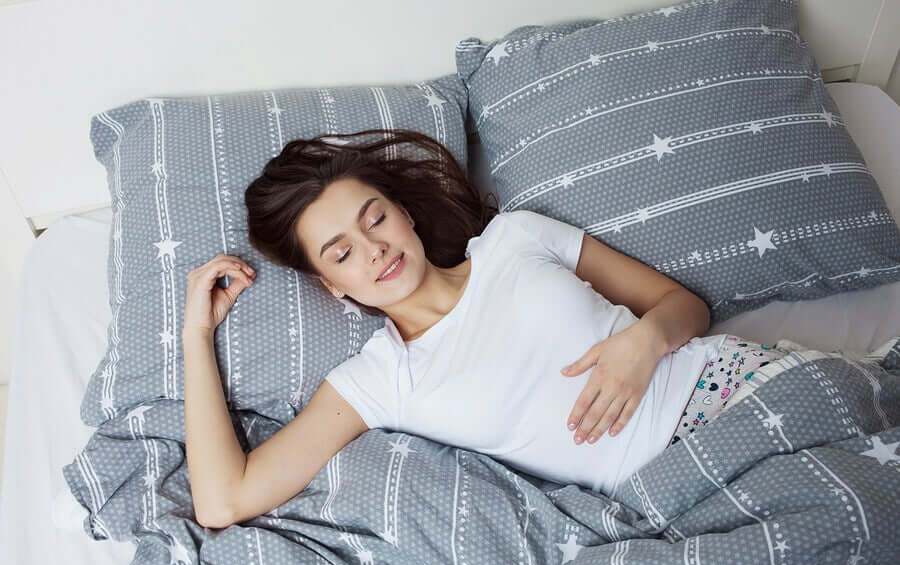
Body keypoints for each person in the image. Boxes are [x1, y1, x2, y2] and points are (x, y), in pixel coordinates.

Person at [182, 129, 787, 529]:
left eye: (376, 219)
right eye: (341, 255)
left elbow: (683, 305)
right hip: (675, 490)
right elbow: (222, 500)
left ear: (406, 214)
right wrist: (196, 336)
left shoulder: (516, 239)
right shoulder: (379, 380)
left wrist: (644, 342)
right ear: (331, 286)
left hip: (737, 388)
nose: (373, 249)